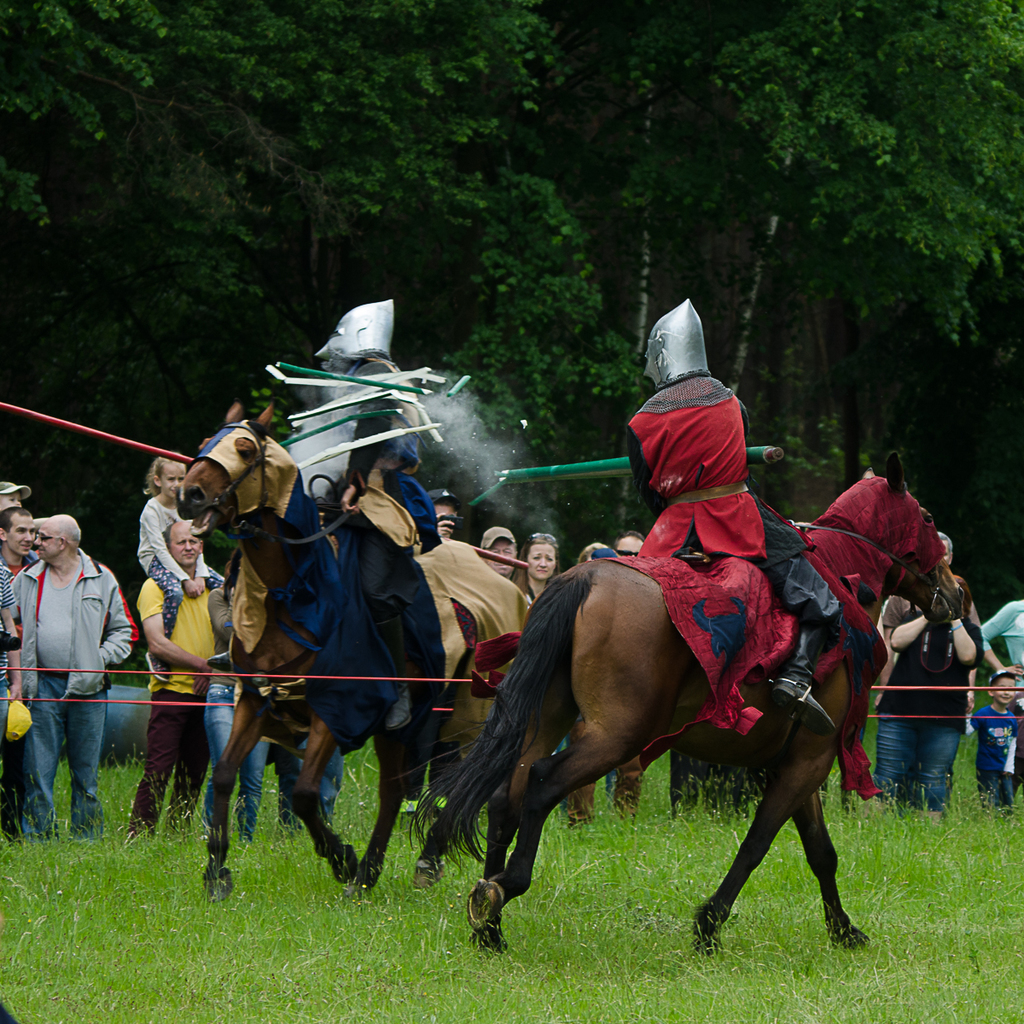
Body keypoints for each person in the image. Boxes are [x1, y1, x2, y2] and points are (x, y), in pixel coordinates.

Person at [627, 299, 841, 735]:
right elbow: (739, 473)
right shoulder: (730, 402)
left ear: (662, 354)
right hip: (737, 520)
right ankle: (797, 678)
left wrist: (675, 508)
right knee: (820, 599)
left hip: (671, 533)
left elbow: (647, 492)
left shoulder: (641, 422)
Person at [322, 299, 446, 730]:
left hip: (377, 491)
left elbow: (372, 425)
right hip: (338, 484)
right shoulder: (354, 376)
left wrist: (355, 475)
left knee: (377, 588)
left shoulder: (378, 374)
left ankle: (395, 687)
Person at [12, 515, 135, 840]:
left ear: (62, 543)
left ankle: (87, 839)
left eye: (43, 537)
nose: (35, 542)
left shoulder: (101, 578)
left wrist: (99, 659)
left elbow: (125, 632)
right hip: (40, 685)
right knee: (37, 770)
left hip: (89, 689)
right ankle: (39, 838)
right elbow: (6, 623)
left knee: (86, 774)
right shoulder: (27, 578)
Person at [129, 520, 222, 836]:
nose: (188, 546)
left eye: (194, 541)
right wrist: (202, 666)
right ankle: (139, 835)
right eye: (181, 542)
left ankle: (177, 835)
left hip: (210, 693)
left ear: (202, 546)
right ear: (168, 548)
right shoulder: (155, 586)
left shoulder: (217, 587)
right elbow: (157, 642)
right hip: (171, 691)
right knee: (158, 768)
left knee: (194, 771)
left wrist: (214, 672)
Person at [872, 577, 982, 819]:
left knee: (934, 777)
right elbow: (896, 642)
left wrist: (954, 618)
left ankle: (928, 832)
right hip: (898, 712)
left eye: (953, 596)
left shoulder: (969, 630)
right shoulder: (916, 621)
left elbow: (968, 657)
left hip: (944, 719)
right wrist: (928, 616)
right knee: (886, 774)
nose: (946, 600)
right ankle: (875, 827)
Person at [202, 556, 268, 842]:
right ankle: (212, 834)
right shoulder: (218, 596)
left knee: (253, 778)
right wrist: (239, 595)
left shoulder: (268, 599)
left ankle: (245, 840)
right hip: (223, 690)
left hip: (256, 695)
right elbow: (226, 629)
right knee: (223, 766)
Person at [138, 457, 210, 676]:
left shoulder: (183, 506)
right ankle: (161, 651)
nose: (176, 484)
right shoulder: (152, 510)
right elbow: (160, 550)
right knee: (174, 592)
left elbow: (195, 541)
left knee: (222, 585)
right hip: (156, 559)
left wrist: (201, 575)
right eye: (171, 479)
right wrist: (185, 579)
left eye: (181, 478)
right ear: (158, 480)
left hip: (182, 557)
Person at [0, 506, 35, 840]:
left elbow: (10, 626)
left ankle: (12, 835)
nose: (28, 538)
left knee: (13, 769)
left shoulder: (1, 572)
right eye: (19, 530)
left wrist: (17, 681)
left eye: (31, 531)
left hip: (2, 685)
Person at [969, 679, 1018, 812]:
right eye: (1002, 687)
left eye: (1011, 688)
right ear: (991, 691)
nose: (1006, 692)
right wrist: (967, 713)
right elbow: (967, 731)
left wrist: (1009, 766)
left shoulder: (1012, 718)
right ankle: (989, 822)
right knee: (990, 801)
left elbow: (1013, 742)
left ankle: (1006, 826)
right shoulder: (983, 714)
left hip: (1004, 767)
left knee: (1008, 802)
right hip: (987, 767)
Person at [512, 533, 560, 605]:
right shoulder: (513, 594)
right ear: (525, 560)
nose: (543, 564)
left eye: (549, 559)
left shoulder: (561, 598)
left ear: (555, 564)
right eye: (536, 558)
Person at [0, 507, 38, 576]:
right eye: (21, 531)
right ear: (3, 534)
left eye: (32, 531)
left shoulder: (40, 568)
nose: (29, 538)